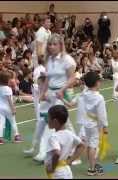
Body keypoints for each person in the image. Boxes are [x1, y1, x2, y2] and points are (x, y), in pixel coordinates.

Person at [36, 34, 77, 162]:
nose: (52, 46)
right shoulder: (49, 60)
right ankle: (49, 150)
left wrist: (62, 90)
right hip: (51, 94)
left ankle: (74, 150)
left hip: (61, 94)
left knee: (61, 122)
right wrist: (42, 93)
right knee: (56, 121)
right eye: (50, 44)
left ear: (60, 45)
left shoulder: (67, 60)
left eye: (55, 44)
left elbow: (73, 78)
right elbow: (48, 78)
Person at [74, 71, 108, 176]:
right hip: (94, 124)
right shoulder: (99, 97)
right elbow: (102, 115)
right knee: (93, 146)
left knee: (89, 145)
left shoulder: (83, 94)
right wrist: (105, 126)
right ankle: (92, 168)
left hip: (85, 123)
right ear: (97, 83)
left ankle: (92, 165)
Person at [44, 105, 85, 179]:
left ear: (55, 121)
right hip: (66, 170)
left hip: (57, 172)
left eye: (49, 118)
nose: (47, 120)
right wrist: (70, 161)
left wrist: (52, 168)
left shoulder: (54, 137)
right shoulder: (70, 133)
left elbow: (57, 153)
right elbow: (82, 145)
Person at [0, 71, 22, 144]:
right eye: (10, 79)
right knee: (13, 122)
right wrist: (13, 109)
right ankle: (17, 136)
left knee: (1, 123)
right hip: (8, 108)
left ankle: (0, 138)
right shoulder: (8, 89)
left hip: (0, 108)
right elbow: (9, 100)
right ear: (7, 80)